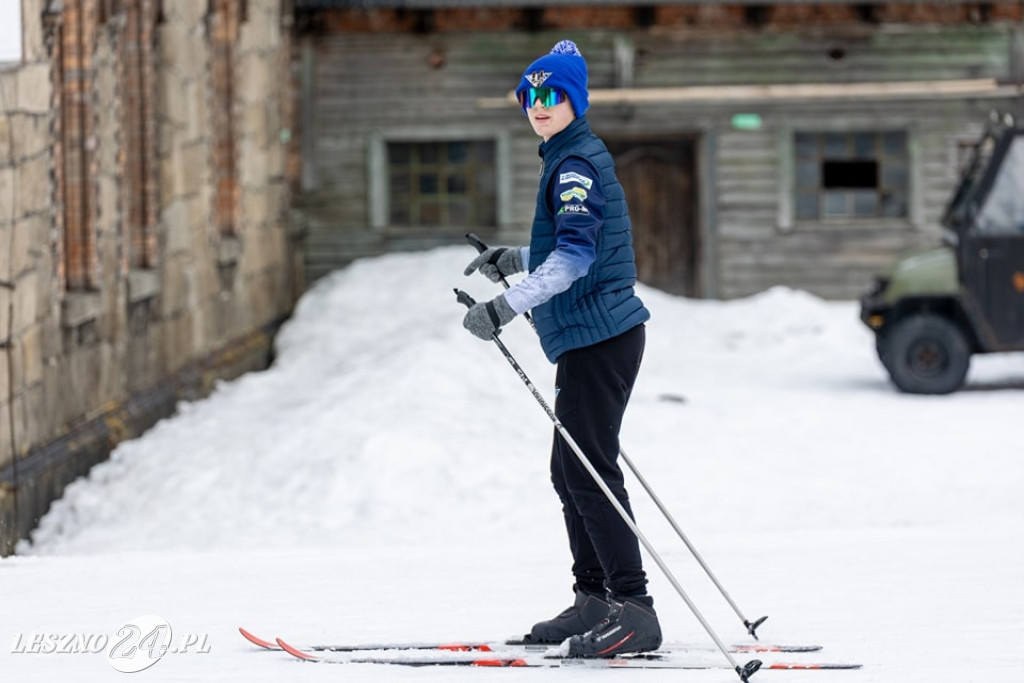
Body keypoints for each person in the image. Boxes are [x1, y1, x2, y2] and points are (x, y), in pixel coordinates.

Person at [461, 39, 661, 658]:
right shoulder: (568, 157)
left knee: (589, 471)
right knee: (570, 469)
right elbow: (578, 247)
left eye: (552, 96)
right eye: (531, 96)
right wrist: (514, 259)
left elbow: (573, 260)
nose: (539, 106)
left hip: (601, 337)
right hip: (592, 335)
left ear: (575, 100)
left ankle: (634, 609)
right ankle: (595, 598)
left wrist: (507, 304)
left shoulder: (574, 165)